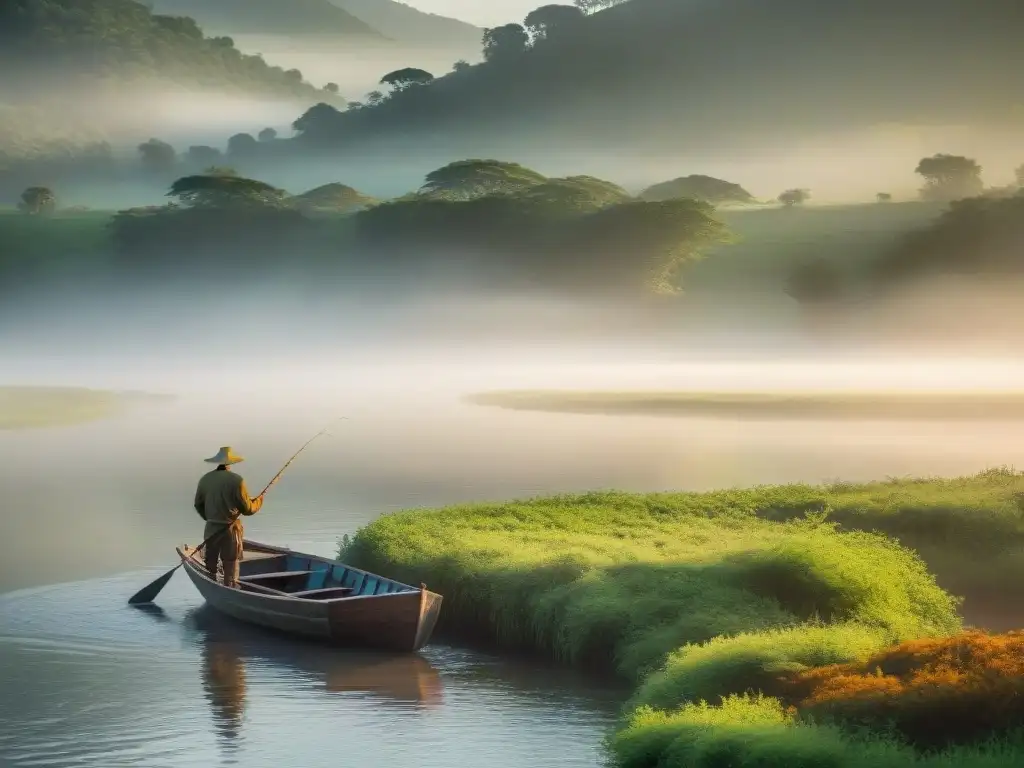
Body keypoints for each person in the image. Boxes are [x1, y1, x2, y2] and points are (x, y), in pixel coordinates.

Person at [194, 446, 264, 587]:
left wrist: (210, 518)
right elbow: (248, 509)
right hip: (230, 530)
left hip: (211, 529)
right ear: (231, 463)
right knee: (230, 564)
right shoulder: (237, 481)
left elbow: (198, 504)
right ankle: (230, 587)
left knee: (211, 564)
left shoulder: (205, 479)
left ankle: (212, 586)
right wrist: (259, 501)